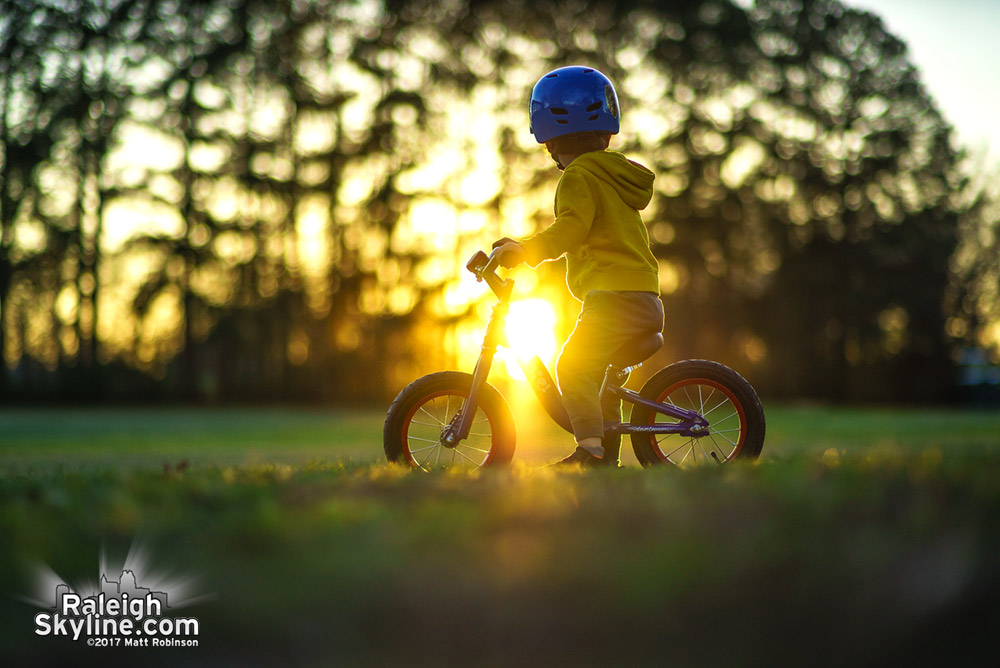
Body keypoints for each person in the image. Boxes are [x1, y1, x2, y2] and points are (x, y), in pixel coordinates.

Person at [493, 65, 663, 467]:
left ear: (550, 139)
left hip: (614, 297)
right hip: (643, 297)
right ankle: (605, 455)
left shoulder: (579, 177)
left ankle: (589, 449)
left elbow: (569, 230)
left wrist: (525, 250)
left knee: (571, 366)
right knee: (599, 378)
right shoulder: (612, 174)